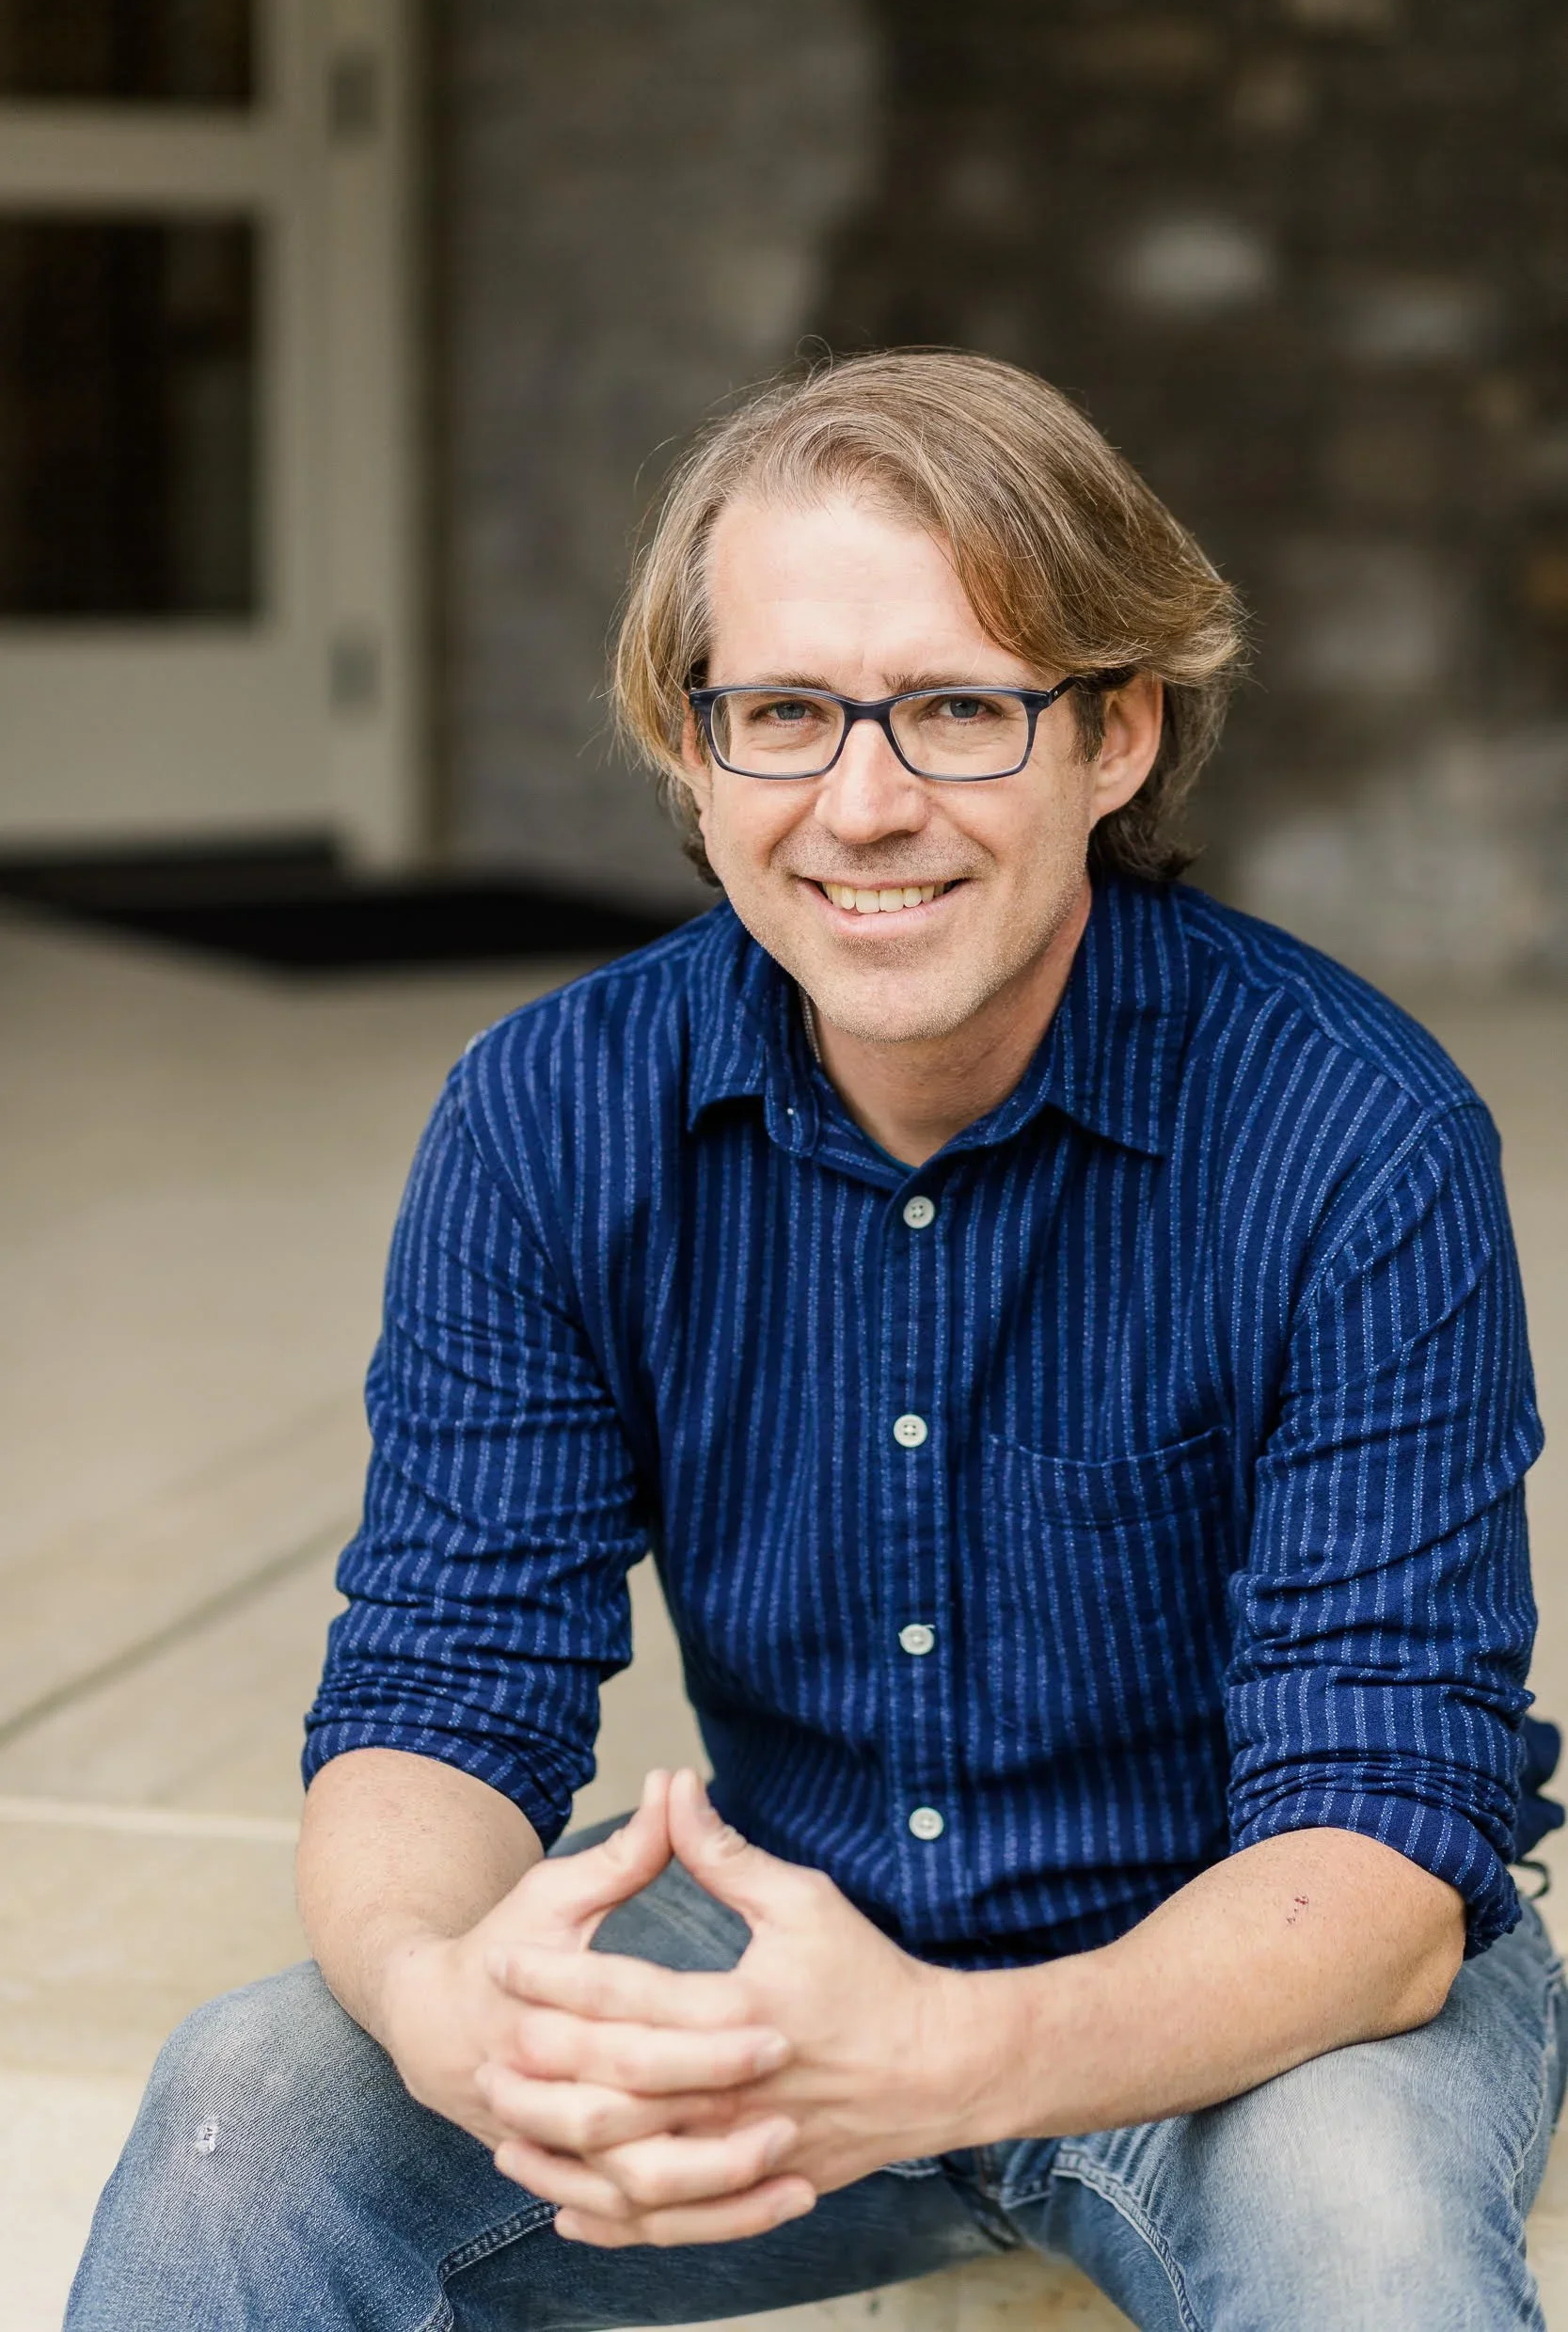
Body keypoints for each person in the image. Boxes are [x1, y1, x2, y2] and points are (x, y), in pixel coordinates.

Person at [70, 352, 1564, 2331]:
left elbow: (1373, 1871)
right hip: (786, 1941)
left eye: (955, 707)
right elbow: (440, 1678)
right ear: (688, 752)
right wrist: (442, 1998)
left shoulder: (1350, 1140)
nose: (861, 805)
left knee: (1365, 2252)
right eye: (780, 713)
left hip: (1247, 1996)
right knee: (246, 2108)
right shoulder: (550, 1115)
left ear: (1112, 734)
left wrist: (932, 2055)